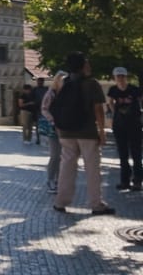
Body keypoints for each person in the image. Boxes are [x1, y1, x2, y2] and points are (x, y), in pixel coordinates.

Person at [52, 52, 114, 215]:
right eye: (87, 63)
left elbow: (56, 105)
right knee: (92, 169)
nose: (90, 65)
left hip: (66, 131)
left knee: (66, 167)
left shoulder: (62, 83)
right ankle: (96, 204)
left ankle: (60, 202)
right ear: (82, 66)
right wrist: (102, 131)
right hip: (86, 131)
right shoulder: (92, 84)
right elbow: (98, 110)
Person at [107, 66, 143, 191]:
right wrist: (114, 112)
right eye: (118, 76)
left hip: (134, 125)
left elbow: (140, 100)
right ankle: (124, 181)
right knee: (123, 154)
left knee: (136, 154)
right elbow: (110, 102)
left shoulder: (134, 89)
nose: (120, 78)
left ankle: (138, 181)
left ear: (126, 76)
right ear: (115, 78)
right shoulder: (113, 90)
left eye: (122, 76)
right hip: (119, 126)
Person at [40, 71, 67, 194]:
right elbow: (44, 109)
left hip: (66, 129)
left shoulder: (68, 94)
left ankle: (59, 180)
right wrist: (51, 120)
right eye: (62, 80)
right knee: (55, 156)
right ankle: (51, 180)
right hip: (53, 129)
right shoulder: (51, 94)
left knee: (64, 157)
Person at [32, 77, 49, 145]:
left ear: (43, 82)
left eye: (41, 82)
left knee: (47, 124)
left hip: (46, 109)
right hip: (37, 109)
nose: (39, 83)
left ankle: (47, 139)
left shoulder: (46, 89)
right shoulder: (34, 90)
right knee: (37, 125)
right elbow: (32, 98)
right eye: (38, 82)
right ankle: (38, 139)